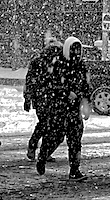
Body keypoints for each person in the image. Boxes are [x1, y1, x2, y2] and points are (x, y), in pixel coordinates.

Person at [35, 36, 90, 179]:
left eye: (78, 50)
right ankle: (42, 157)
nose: (76, 53)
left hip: (74, 110)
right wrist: (65, 93)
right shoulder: (59, 64)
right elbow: (51, 85)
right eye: (74, 50)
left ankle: (74, 169)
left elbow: (86, 85)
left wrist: (85, 103)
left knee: (75, 141)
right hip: (59, 108)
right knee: (55, 137)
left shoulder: (81, 65)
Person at [24, 39, 62, 163]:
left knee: (48, 125)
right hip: (42, 97)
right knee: (44, 123)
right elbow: (30, 80)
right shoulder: (39, 62)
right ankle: (34, 146)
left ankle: (42, 150)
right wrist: (28, 98)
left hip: (50, 97)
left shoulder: (56, 63)